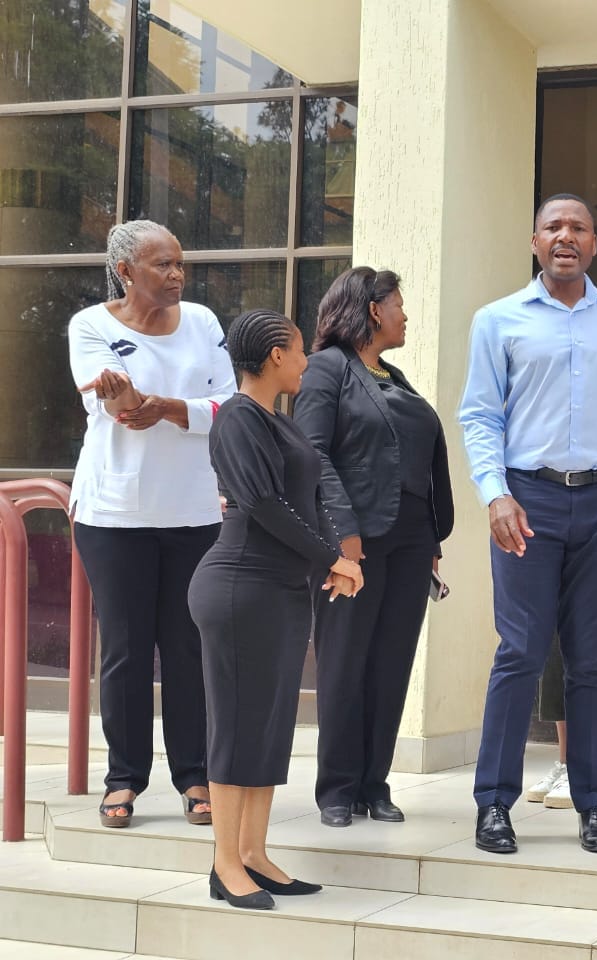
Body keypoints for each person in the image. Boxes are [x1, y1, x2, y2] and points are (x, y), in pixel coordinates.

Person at [459, 192, 597, 855]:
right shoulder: (497, 320)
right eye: (553, 226)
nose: (565, 235)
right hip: (527, 499)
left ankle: (593, 805)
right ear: (535, 242)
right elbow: (480, 416)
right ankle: (493, 805)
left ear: (593, 245)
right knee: (520, 651)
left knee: (590, 658)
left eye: (578, 227)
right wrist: (495, 494)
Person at [188, 309, 364, 910]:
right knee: (237, 724)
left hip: (282, 590)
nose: (307, 360)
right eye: (300, 349)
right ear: (275, 356)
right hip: (241, 587)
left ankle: (254, 853)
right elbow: (265, 505)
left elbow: (310, 501)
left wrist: (336, 560)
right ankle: (224, 864)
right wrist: (333, 559)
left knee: (268, 724)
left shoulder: (278, 421)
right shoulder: (237, 417)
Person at [69, 219, 235, 830]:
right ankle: (124, 779)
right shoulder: (90, 326)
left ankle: (194, 776)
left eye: (179, 263)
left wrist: (168, 408)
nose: (176, 274)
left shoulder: (203, 322)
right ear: (125, 271)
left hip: (193, 510)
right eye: (162, 264)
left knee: (189, 647)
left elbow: (230, 404)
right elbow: (112, 403)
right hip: (114, 514)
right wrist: (124, 397)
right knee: (126, 650)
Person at [293, 267, 455, 828]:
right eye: (399, 305)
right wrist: (344, 536)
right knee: (345, 661)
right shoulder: (327, 369)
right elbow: (313, 453)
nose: (405, 315)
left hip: (411, 539)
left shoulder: (395, 377)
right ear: (371, 309)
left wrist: (432, 536)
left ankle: (373, 785)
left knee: (391, 663)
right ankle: (337, 789)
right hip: (353, 541)